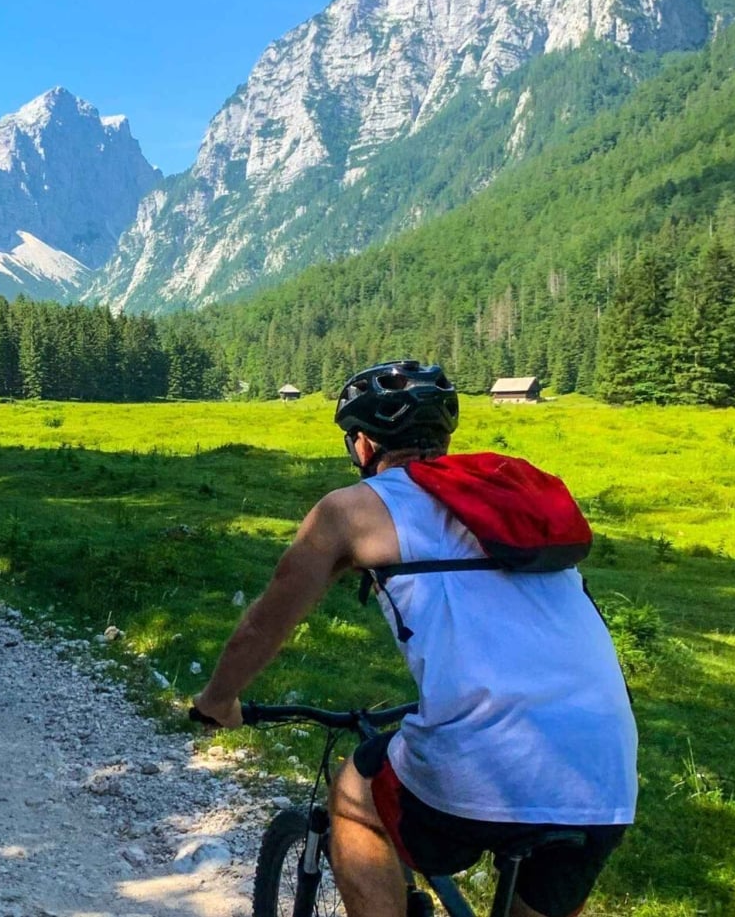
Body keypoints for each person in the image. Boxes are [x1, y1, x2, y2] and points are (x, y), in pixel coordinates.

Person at [191, 359, 637, 917]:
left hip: (484, 754)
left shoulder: (351, 510)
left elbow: (266, 622)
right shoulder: (511, 500)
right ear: (443, 438)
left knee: (354, 794)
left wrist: (217, 700)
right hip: (604, 768)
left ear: (363, 444)